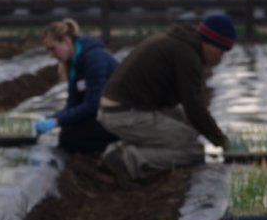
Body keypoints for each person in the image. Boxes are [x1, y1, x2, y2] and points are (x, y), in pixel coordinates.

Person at [97, 14, 236, 186]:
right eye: (220, 49)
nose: (220, 57)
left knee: (182, 123)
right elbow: (195, 108)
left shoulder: (179, 43)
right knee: (193, 148)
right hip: (124, 113)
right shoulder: (187, 55)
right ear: (209, 41)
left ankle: (115, 151)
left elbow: (189, 110)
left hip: (121, 107)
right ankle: (129, 159)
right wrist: (222, 141)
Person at [34, 18, 119, 154]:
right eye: (48, 50)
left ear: (66, 41)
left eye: (53, 49)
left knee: (70, 139)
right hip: (103, 114)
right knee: (68, 133)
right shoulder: (75, 65)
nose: (51, 55)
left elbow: (93, 104)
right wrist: (54, 117)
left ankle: (117, 148)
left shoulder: (94, 59)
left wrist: (57, 121)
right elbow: (73, 103)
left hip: (119, 116)